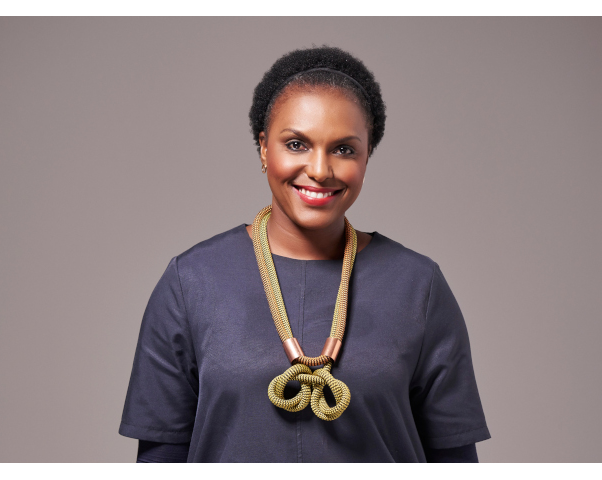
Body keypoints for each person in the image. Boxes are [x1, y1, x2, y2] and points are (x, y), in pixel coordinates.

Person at [119, 46, 491, 462]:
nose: (319, 170)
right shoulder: (191, 282)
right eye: (296, 144)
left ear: (367, 155)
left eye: (344, 149)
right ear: (264, 148)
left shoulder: (418, 287)